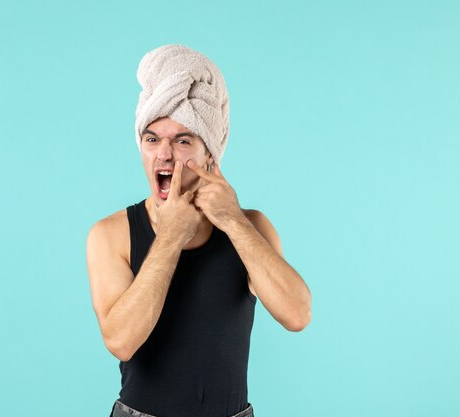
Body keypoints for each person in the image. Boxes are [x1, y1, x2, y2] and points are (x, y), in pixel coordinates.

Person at [86, 44, 312, 417]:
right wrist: (171, 235)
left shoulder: (252, 226)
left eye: (183, 140)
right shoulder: (111, 234)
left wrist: (234, 222)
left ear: (210, 153)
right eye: (152, 138)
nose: (165, 154)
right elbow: (121, 340)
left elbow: (297, 314)